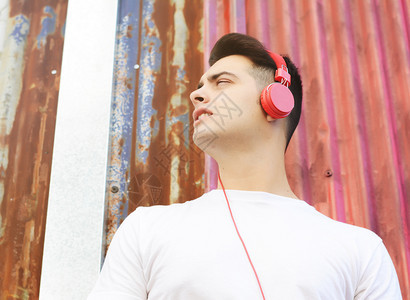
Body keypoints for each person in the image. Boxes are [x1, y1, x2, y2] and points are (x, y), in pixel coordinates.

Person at [88, 33, 402, 299]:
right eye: (200, 86)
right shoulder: (145, 230)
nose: (196, 94)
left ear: (275, 101)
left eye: (221, 82)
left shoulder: (361, 252)